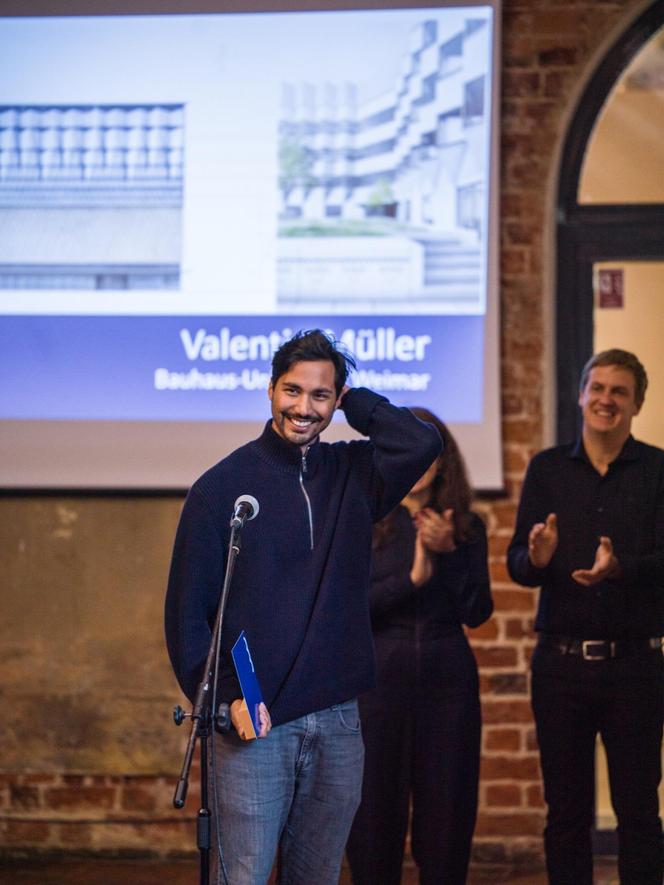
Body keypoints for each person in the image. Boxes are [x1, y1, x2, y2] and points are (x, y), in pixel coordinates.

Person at [164, 329, 441, 885]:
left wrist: (355, 400)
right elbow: (187, 618)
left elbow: (421, 443)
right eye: (293, 391)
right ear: (270, 391)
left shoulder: (355, 475)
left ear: (337, 401)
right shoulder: (221, 489)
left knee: (315, 877)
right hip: (254, 724)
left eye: (321, 396)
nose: (304, 408)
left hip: (338, 718)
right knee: (242, 876)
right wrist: (227, 699)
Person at [507, 349, 663, 885]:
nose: (606, 400)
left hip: (637, 668)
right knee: (566, 816)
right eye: (597, 388)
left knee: (639, 812)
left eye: (620, 392)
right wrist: (540, 558)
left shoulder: (659, 470)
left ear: (637, 403)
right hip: (561, 667)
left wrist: (623, 568)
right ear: (580, 395)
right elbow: (519, 567)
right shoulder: (547, 470)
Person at [347, 408, 493, 885]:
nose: (418, 457)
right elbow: (349, 609)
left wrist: (449, 554)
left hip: (446, 678)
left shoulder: (466, 526)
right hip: (377, 680)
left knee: (447, 810)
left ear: (442, 456)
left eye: (427, 447)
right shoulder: (363, 518)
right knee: (373, 811)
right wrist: (411, 581)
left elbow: (477, 610)